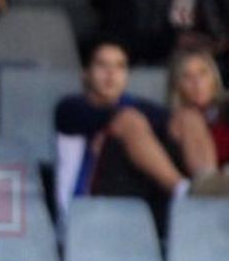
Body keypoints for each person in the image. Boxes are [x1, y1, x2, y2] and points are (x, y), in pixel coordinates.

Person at [54, 39, 217, 233]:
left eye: (119, 66)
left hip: (141, 194)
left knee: (188, 116)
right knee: (128, 119)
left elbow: (169, 122)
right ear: (86, 73)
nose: (111, 74)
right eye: (102, 65)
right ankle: (184, 191)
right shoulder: (70, 107)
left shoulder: (136, 106)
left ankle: (208, 184)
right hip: (88, 205)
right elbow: (114, 117)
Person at [168, 48, 229, 167]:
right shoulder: (177, 120)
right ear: (177, 84)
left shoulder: (226, 106)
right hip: (206, 176)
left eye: (203, 73)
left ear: (213, 77)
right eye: (187, 76)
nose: (197, 83)